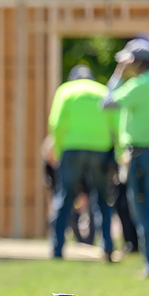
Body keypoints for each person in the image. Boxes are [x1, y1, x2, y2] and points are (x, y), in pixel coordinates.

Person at [102, 39, 149, 277]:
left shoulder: (139, 85)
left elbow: (107, 103)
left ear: (135, 61)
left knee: (144, 211)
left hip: (141, 156)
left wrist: (118, 74)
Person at [48, 65, 117, 261]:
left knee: (65, 197)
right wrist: (117, 150)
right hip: (100, 149)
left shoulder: (65, 91)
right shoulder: (103, 91)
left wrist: (59, 150)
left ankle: (57, 248)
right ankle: (107, 245)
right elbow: (116, 121)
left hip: (72, 149)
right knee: (103, 199)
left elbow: (56, 122)